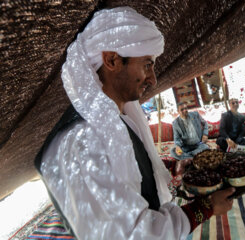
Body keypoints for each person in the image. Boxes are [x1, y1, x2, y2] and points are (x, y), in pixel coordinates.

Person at [34, 7, 234, 239]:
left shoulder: (118, 120)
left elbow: (127, 166)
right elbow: (134, 234)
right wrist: (205, 208)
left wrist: (171, 166)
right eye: (147, 64)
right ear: (112, 60)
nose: (153, 78)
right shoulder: (81, 140)